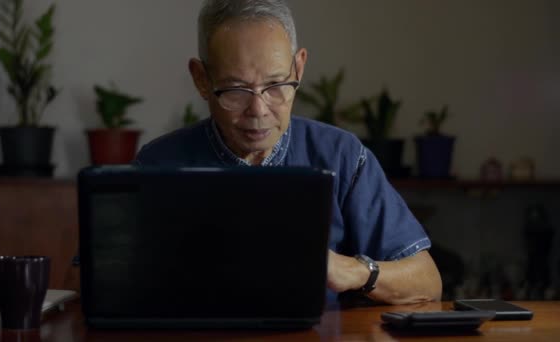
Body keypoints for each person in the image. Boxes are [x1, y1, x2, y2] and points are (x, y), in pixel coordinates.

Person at [135, 0, 442, 305]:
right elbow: (106, 280)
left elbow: (428, 282)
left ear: (299, 67)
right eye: (236, 90)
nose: (258, 110)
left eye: (276, 84)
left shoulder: (342, 157)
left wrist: (353, 271)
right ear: (202, 79)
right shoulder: (157, 165)